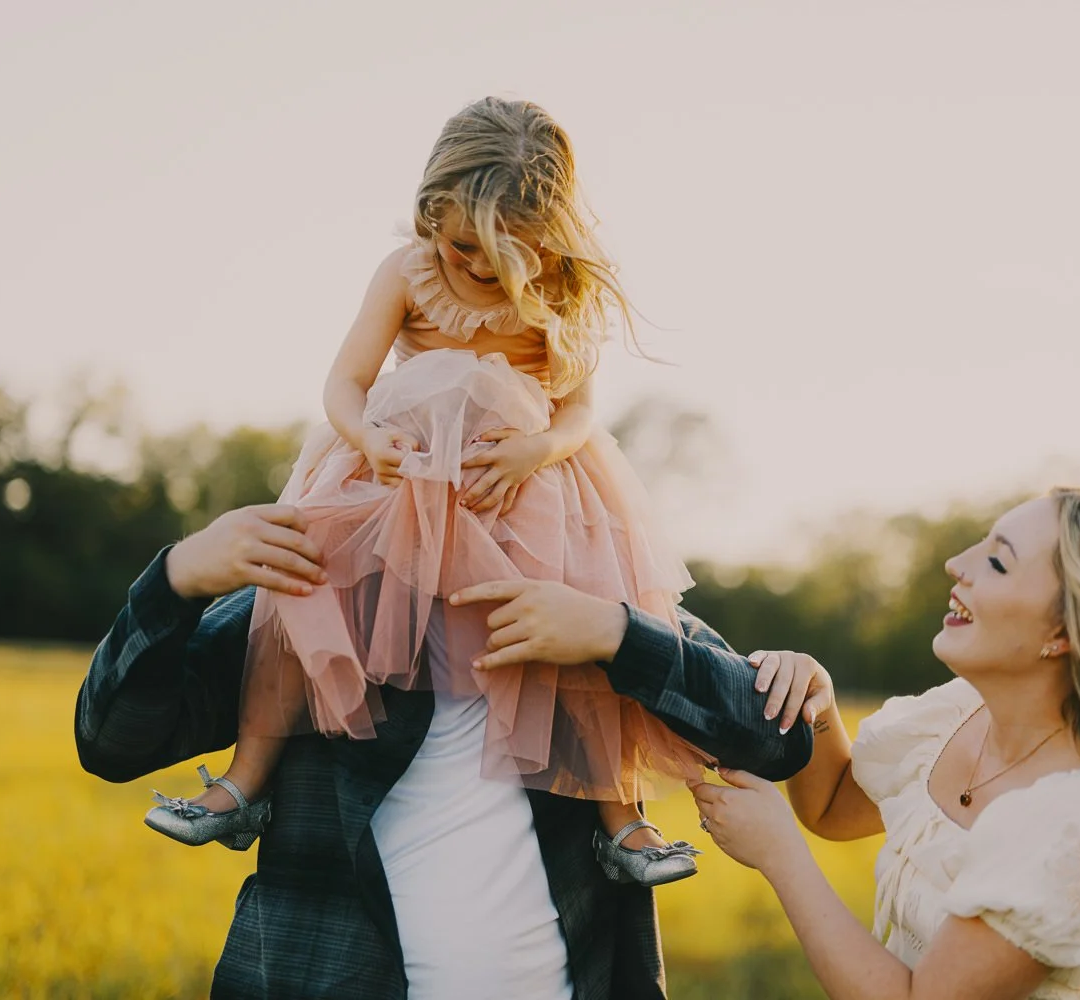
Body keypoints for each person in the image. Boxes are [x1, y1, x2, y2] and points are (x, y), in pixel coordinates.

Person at [142, 96, 709, 888]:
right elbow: (346, 381)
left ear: (553, 237)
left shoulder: (565, 290)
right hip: (395, 471)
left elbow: (579, 403)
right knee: (297, 591)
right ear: (428, 212)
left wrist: (540, 445)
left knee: (586, 612)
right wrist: (366, 437)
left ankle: (623, 818)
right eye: (463, 244)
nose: (479, 267)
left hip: (519, 483)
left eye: (510, 254)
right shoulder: (405, 272)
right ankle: (245, 782)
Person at [75, 502, 812, 998]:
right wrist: (178, 577)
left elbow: (777, 740)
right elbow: (110, 740)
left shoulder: (590, 598)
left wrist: (619, 635)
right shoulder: (315, 605)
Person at [690, 488, 1080, 1000]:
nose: (957, 564)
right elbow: (832, 808)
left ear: (1064, 632)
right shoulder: (958, 713)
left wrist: (782, 858)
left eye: (997, 561)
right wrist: (816, 704)